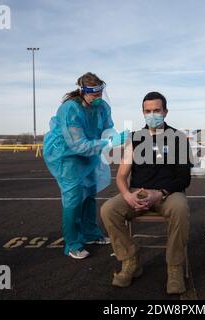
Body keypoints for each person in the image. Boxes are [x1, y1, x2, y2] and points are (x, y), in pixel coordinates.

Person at [100, 92, 193, 295]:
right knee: (108, 209)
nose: (152, 114)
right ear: (143, 113)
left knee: (180, 208)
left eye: (157, 110)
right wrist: (127, 195)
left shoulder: (178, 138)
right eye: (148, 111)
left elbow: (184, 178)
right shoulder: (134, 139)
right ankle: (130, 261)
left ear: (165, 111)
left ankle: (175, 267)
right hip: (138, 192)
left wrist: (159, 194)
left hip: (168, 194)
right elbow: (121, 176)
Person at [43, 72, 128, 260]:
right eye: (94, 95)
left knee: (90, 192)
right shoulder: (70, 109)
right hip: (66, 155)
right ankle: (73, 243)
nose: (98, 98)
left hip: (91, 150)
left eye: (101, 94)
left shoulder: (102, 107)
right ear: (83, 92)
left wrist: (114, 137)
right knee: (73, 197)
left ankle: (90, 233)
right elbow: (77, 145)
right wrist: (108, 143)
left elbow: (107, 129)